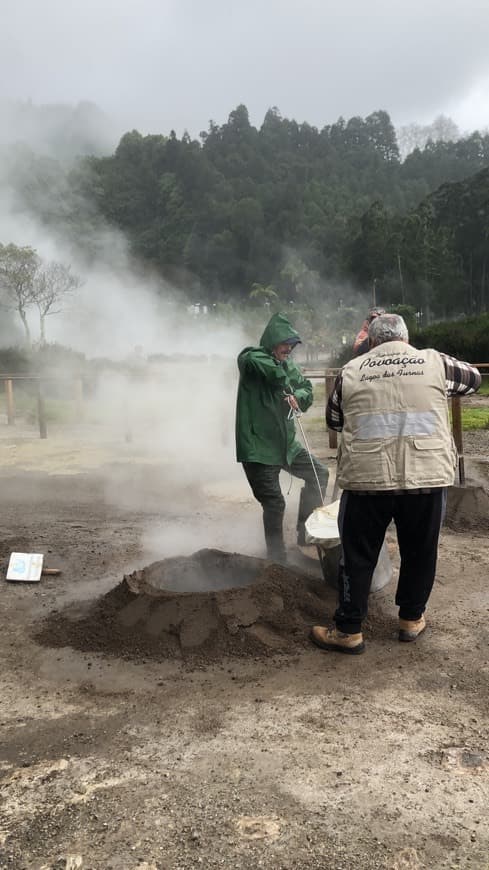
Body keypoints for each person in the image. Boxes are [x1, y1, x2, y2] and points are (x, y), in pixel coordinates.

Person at [311, 313, 481, 654]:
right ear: (405, 338)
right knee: (420, 552)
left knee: (357, 555)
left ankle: (349, 631)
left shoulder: (352, 370)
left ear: (372, 341)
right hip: (424, 478)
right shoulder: (434, 362)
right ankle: (410, 620)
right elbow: (474, 379)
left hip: (366, 481)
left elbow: (333, 420)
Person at [236, 312, 328, 563]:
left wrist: (298, 396)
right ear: (272, 342)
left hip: (287, 445)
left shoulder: (288, 365)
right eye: (284, 343)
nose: (289, 349)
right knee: (275, 503)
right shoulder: (251, 357)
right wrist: (286, 384)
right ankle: (277, 561)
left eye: (292, 345)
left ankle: (305, 533)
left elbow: (307, 389)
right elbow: (269, 370)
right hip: (258, 448)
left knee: (319, 474)